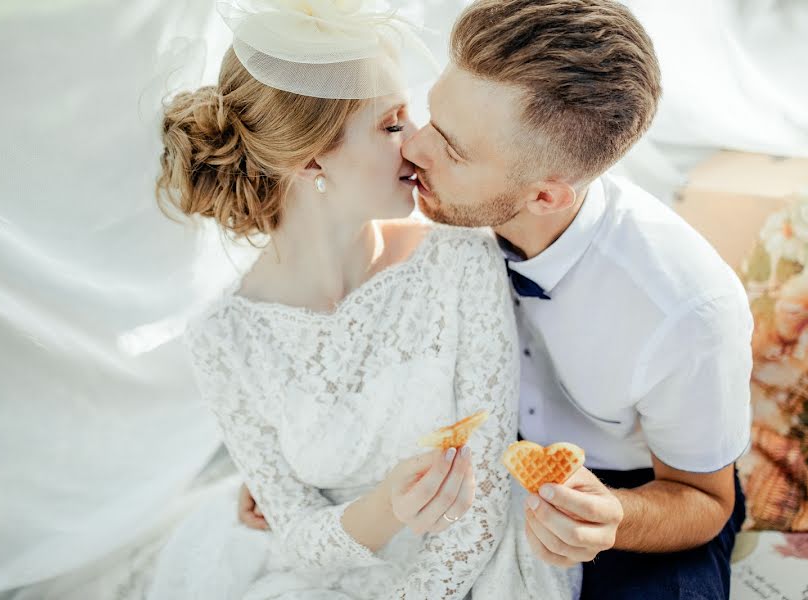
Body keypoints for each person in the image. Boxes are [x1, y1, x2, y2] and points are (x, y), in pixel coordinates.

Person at [241, 1, 753, 598]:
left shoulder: (686, 311)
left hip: (636, 495)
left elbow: (705, 499)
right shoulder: (418, 217)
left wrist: (612, 517)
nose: (415, 150)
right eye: (432, 116)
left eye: (453, 150)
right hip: (469, 479)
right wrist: (304, 475)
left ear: (544, 197)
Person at [146, 1, 578, 598]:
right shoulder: (223, 340)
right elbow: (297, 538)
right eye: (392, 122)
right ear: (312, 157)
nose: (419, 140)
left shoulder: (459, 259)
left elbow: (481, 509)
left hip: (477, 572)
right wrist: (386, 506)